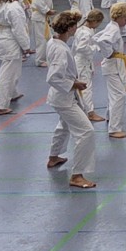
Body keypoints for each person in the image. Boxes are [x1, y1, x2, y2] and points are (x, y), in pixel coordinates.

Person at [42, 11, 98, 190]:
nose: (77, 28)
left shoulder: (54, 42)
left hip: (61, 97)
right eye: (75, 26)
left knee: (64, 126)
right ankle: (77, 175)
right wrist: (74, 84)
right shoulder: (60, 50)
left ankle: (53, 157)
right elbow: (53, 77)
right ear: (70, 28)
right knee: (86, 131)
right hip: (63, 98)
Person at [0, 0, 31, 115]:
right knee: (8, 73)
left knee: (9, 68)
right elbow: (19, 30)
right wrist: (26, 47)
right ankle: (0, 106)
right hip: (9, 39)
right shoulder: (13, 7)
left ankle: (12, 93)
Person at [101, 2, 126, 139]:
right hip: (112, 65)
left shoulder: (112, 26)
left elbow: (98, 38)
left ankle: (110, 116)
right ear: (120, 17)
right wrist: (109, 53)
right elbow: (103, 41)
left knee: (114, 93)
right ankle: (114, 129)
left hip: (114, 65)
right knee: (119, 95)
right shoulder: (113, 29)